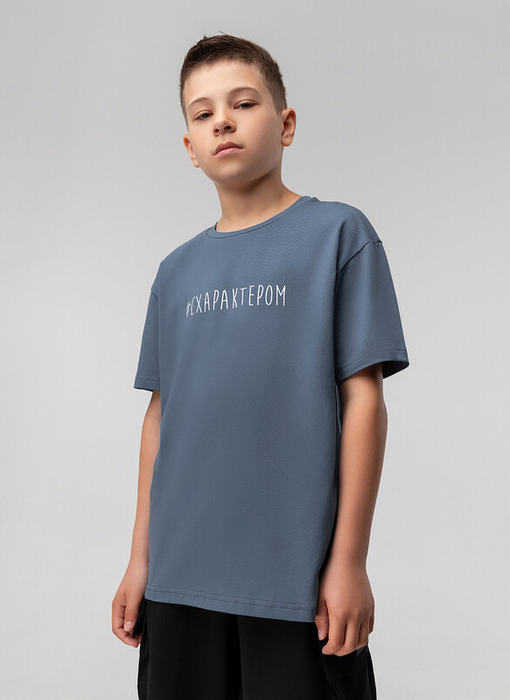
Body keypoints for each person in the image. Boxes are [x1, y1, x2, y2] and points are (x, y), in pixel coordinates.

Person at [112, 33, 409, 700]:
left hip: (292, 582)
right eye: (203, 112)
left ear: (285, 123)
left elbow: (363, 400)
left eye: (243, 103)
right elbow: (159, 419)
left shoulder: (338, 235)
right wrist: (139, 562)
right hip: (178, 581)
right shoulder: (174, 272)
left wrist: (349, 561)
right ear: (190, 147)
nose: (222, 120)